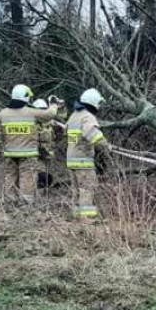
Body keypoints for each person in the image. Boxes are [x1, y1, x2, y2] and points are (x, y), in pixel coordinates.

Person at [0, 85, 59, 204]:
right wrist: (53, 103)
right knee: (28, 178)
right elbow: (50, 114)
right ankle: (25, 206)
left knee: (10, 177)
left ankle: (9, 202)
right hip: (28, 154)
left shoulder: (1, 114)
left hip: (9, 154)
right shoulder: (31, 112)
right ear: (26, 97)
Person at [65, 88, 112, 221]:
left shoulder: (74, 116)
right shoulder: (87, 117)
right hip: (82, 161)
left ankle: (76, 215)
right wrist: (106, 146)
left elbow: (67, 133)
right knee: (87, 188)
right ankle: (87, 219)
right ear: (93, 103)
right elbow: (93, 135)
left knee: (76, 189)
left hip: (71, 159)